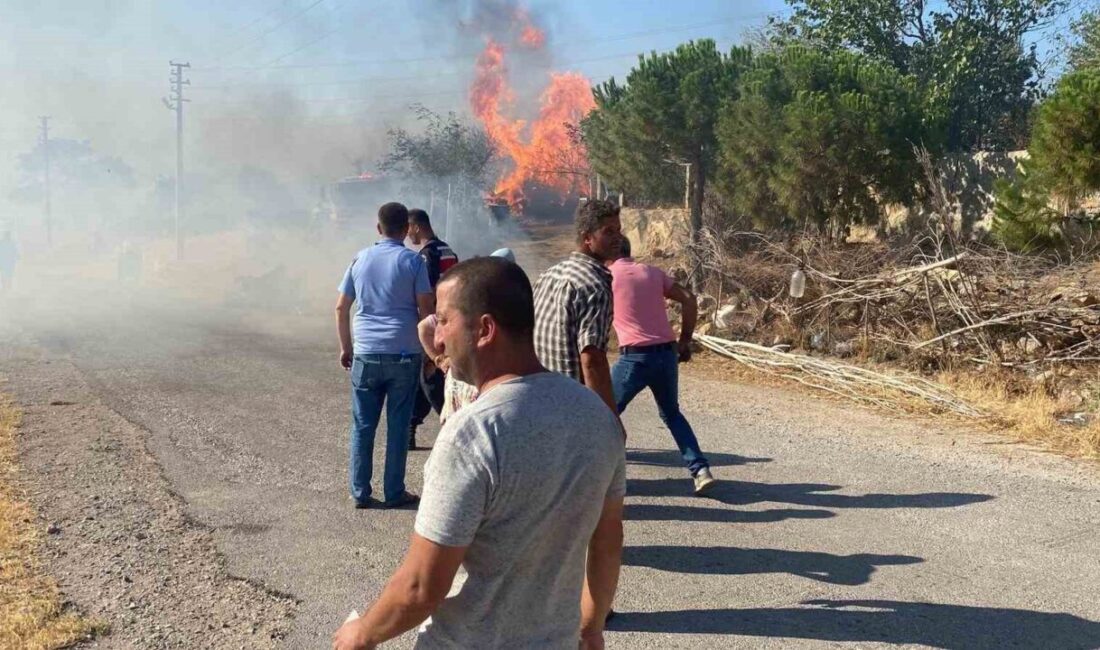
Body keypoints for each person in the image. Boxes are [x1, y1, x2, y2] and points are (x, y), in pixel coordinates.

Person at [332, 257, 625, 650]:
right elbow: (607, 541)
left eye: (443, 321)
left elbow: (420, 587)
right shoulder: (598, 418)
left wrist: (361, 633)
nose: (437, 340)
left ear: (485, 329)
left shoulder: (473, 433)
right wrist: (590, 627)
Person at [336, 202, 434, 510]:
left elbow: (341, 307)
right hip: (404, 353)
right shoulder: (414, 261)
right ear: (406, 229)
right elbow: (426, 310)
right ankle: (394, 492)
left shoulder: (360, 259)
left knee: (363, 425)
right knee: (398, 425)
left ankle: (359, 492)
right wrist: (431, 352)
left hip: (366, 352)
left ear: (378, 228)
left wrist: (346, 347)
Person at [609, 236, 717, 495]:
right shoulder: (652, 272)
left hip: (634, 357)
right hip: (666, 354)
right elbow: (689, 298)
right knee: (671, 414)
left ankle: (604, 476)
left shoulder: (606, 277)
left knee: (603, 412)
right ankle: (700, 470)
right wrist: (685, 340)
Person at [532, 199, 622, 414]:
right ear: (587, 238)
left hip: (540, 400)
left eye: (618, 230)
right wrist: (609, 418)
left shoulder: (549, 275)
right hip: (572, 409)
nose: (618, 238)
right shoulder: (594, 286)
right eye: (608, 232)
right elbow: (592, 361)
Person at [414, 248, 516, 425]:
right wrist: (439, 360)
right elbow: (424, 327)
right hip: (473, 383)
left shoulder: (475, 298)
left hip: (477, 383)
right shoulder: (472, 301)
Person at [406, 208, 458, 450]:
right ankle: (410, 428)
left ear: (416, 227)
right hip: (450, 320)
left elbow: (426, 296)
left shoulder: (426, 256)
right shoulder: (448, 249)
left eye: (409, 229)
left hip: (435, 323)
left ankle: (452, 422)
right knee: (423, 378)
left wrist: (427, 329)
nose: (408, 235)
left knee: (430, 377)